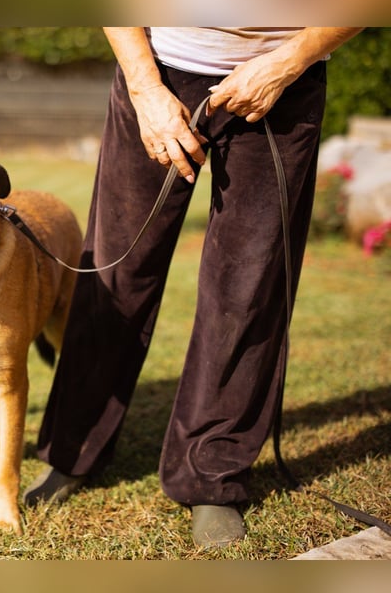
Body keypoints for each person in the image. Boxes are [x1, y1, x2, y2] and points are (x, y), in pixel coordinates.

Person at [23, 27, 364, 548]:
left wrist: (289, 61)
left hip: (283, 81)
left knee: (248, 287)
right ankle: (72, 451)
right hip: (160, 73)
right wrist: (144, 86)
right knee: (119, 273)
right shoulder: (149, 84)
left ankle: (212, 475)